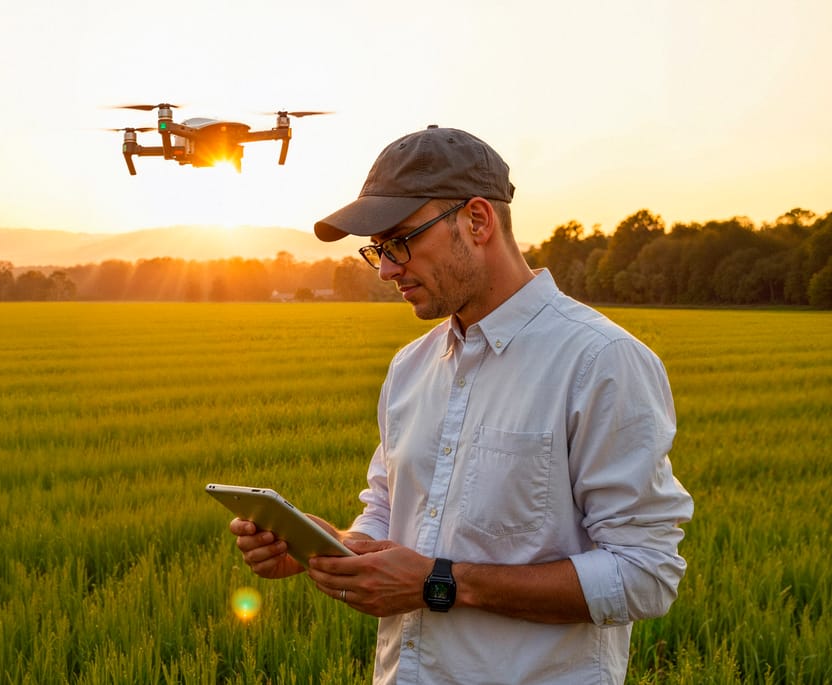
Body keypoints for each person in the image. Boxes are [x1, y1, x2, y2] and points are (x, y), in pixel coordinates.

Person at [229, 126, 694, 684]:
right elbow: (386, 508)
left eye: (400, 240)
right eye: (376, 248)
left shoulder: (601, 361)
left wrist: (438, 583)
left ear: (477, 221)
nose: (385, 270)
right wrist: (335, 548)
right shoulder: (411, 367)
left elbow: (645, 574)